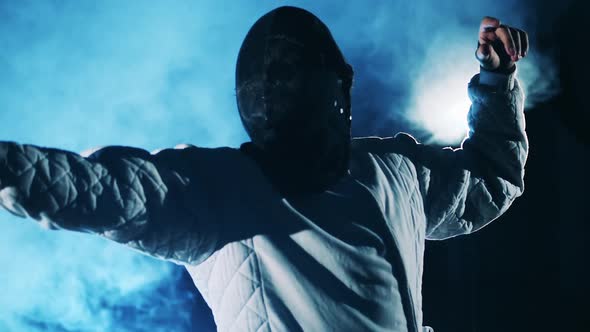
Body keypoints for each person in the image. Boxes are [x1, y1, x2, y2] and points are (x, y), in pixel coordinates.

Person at [0, 6, 528, 332]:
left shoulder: (395, 173)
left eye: (290, 76)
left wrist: (498, 82)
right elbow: (92, 188)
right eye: (268, 85)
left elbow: (488, 179)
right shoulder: (217, 193)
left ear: (338, 87)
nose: (276, 93)